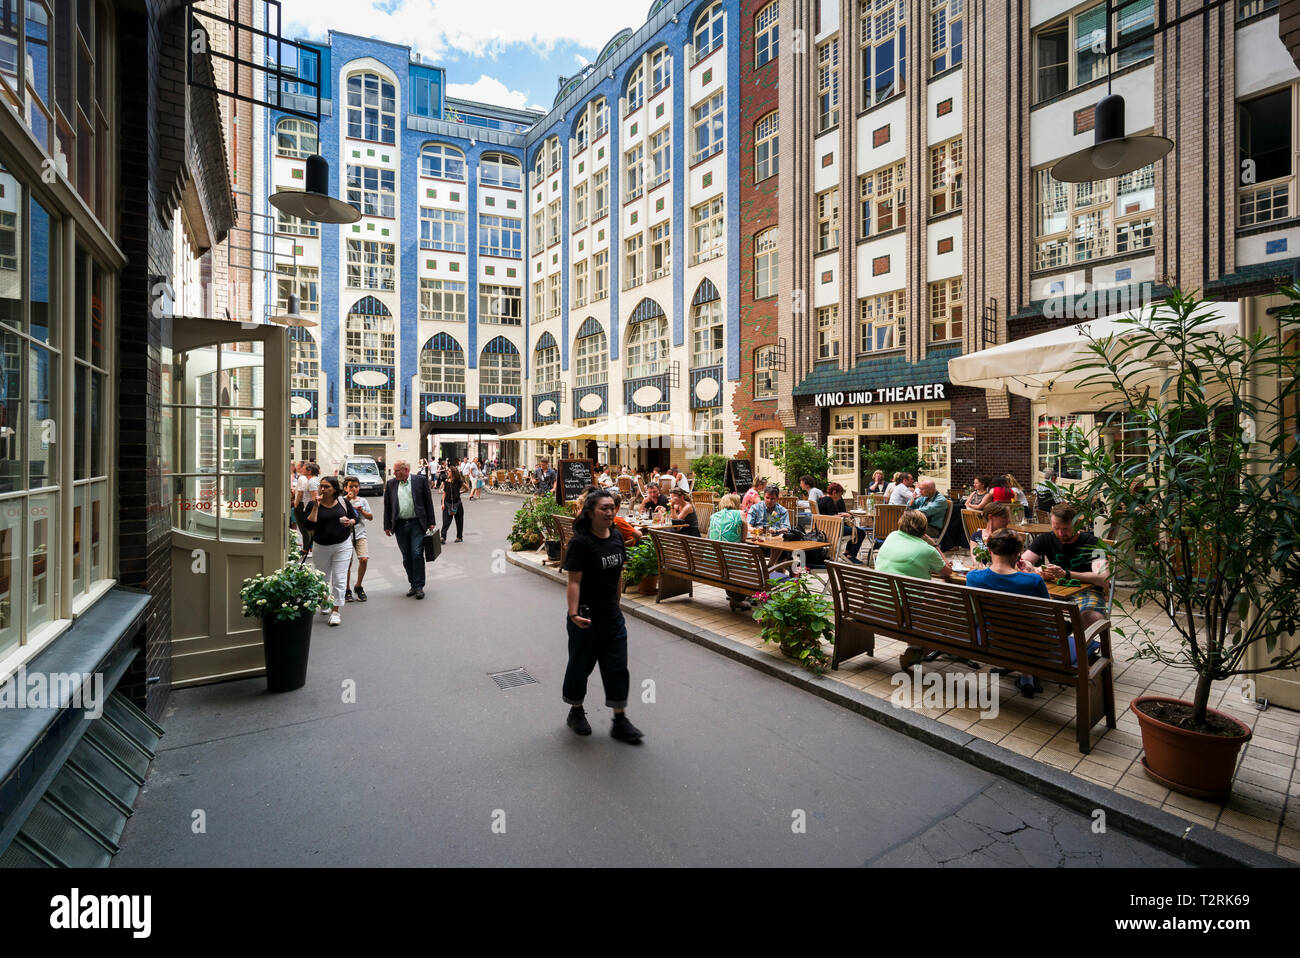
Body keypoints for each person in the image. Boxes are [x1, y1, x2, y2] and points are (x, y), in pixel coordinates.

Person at [562, 488, 643, 744]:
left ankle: (620, 719)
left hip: (611, 616)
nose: (610, 512)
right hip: (585, 618)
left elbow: (618, 573)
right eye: (604, 508)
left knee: (617, 667)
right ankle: (575, 711)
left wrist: (617, 604)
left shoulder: (617, 537)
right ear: (590, 512)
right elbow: (573, 581)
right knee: (580, 666)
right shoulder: (580, 543)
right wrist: (573, 613)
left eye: (612, 508)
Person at [966, 528, 1051, 697]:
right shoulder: (1032, 581)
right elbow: (1047, 616)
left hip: (993, 638)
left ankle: (1026, 675)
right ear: (1019, 553)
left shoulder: (973, 577)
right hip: (1030, 643)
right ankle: (1027, 676)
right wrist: (1031, 571)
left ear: (990, 551)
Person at [875, 510, 953, 669]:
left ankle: (916, 648)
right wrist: (935, 545)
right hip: (901, 609)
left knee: (922, 601)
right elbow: (947, 571)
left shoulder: (892, 536)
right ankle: (918, 650)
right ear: (924, 529)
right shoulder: (927, 549)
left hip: (878, 600)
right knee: (944, 606)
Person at [1021, 502, 1110, 627]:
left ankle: (1071, 640)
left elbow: (1103, 579)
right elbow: (1021, 564)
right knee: (1026, 608)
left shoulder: (1093, 543)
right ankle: (1058, 638)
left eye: (1065, 529)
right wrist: (1037, 569)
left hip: (1087, 592)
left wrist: (1067, 574)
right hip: (1054, 591)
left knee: (1092, 617)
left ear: (1076, 524)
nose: (1060, 534)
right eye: (1056, 528)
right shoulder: (1045, 539)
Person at [306, 476, 358, 627]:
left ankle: (336, 611)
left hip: (342, 545)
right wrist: (316, 506)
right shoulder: (312, 504)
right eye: (321, 486)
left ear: (334, 489)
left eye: (326, 486)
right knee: (322, 578)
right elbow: (309, 525)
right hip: (321, 545)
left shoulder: (343, 502)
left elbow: (355, 517)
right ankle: (325, 600)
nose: (322, 489)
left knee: (339, 577)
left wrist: (350, 522)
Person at [383, 460, 437, 600]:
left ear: (405, 470)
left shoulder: (420, 481)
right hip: (400, 525)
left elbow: (428, 501)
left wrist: (431, 521)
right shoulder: (391, 484)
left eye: (396, 471)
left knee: (417, 553)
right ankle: (413, 584)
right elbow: (388, 506)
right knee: (407, 557)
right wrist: (387, 526)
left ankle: (419, 586)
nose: (394, 473)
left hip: (417, 524)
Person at [709, 493, 754, 611]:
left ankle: (735, 598)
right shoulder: (739, 514)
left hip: (712, 561)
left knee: (731, 566)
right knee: (747, 567)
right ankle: (737, 599)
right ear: (736, 503)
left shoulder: (713, 516)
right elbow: (743, 538)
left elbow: (710, 536)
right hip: (730, 562)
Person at [816, 482, 865, 563]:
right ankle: (850, 555)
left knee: (853, 529)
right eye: (840, 495)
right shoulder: (829, 500)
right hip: (833, 529)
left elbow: (828, 515)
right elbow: (832, 517)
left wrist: (840, 514)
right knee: (860, 532)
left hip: (823, 528)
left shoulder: (821, 499)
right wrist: (845, 515)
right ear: (834, 492)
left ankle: (847, 553)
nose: (840, 498)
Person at [343, 476, 373, 603]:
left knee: (364, 559)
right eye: (351, 486)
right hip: (346, 536)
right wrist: (348, 501)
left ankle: (358, 586)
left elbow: (370, 517)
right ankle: (346, 589)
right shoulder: (342, 500)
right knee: (347, 563)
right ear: (345, 488)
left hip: (360, 534)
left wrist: (362, 511)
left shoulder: (363, 500)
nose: (354, 489)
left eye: (356, 486)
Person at [294, 462, 321, 557]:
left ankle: (307, 549)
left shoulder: (312, 482)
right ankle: (310, 548)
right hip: (309, 508)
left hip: (310, 510)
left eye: (304, 468)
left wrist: (313, 510)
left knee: (307, 529)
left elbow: (315, 498)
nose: (302, 469)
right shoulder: (312, 480)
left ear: (309, 471)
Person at [441, 464, 469, 543]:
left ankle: (459, 537)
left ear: (453, 472)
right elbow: (444, 493)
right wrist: (443, 503)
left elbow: (467, 488)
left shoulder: (458, 481)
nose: (447, 472)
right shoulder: (446, 481)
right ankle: (443, 537)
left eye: (449, 471)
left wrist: (460, 492)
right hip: (447, 503)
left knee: (459, 521)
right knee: (446, 521)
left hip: (457, 504)